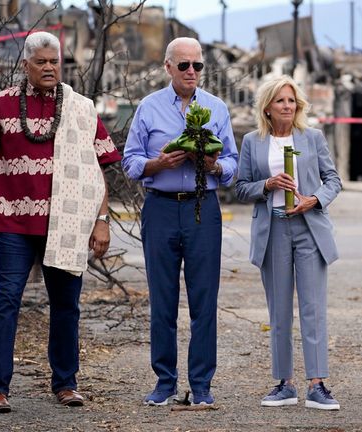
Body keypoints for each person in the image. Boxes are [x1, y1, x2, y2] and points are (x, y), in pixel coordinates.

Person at [0, 31, 121, 413]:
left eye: (55, 61)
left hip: (65, 224)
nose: (50, 68)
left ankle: (66, 383)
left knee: (67, 306)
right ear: (26, 64)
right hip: (13, 221)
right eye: (42, 62)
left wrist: (101, 220)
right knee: (6, 301)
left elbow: (97, 168)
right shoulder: (0, 105)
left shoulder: (80, 108)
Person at [122, 37, 238, 407]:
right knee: (163, 299)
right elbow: (130, 162)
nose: (192, 72)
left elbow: (233, 165)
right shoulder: (148, 107)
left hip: (203, 208)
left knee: (204, 300)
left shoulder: (216, 108)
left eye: (198, 66)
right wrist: (157, 164)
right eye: (184, 65)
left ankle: (201, 384)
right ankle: (164, 381)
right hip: (160, 207)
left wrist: (214, 165)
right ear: (168, 67)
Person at [235, 75, 342, 410]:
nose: (286, 106)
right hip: (273, 230)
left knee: (313, 309)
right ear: (267, 106)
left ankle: (317, 384)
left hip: (308, 228)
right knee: (279, 311)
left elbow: (333, 180)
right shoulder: (253, 141)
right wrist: (266, 184)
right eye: (280, 100)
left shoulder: (312, 137)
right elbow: (241, 188)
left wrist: (315, 199)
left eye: (291, 101)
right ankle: (284, 384)